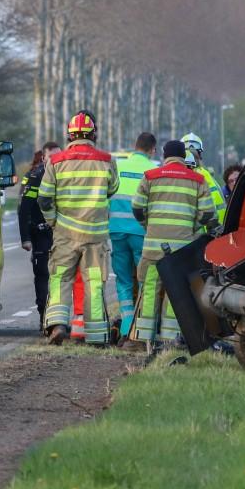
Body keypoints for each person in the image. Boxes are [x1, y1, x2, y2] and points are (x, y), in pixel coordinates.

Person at [123, 140, 217, 352]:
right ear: (184, 157)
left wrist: (147, 224)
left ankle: (145, 339)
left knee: (149, 290)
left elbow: (137, 207)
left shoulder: (150, 176)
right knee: (176, 294)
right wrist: (196, 226)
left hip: (154, 245)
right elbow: (208, 214)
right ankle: (170, 341)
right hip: (182, 250)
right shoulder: (198, 180)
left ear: (165, 156)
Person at [38, 110, 120, 347]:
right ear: (94, 134)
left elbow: (44, 198)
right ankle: (95, 336)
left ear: (69, 135)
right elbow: (112, 188)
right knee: (94, 282)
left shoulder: (56, 161)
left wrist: (54, 221)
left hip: (65, 234)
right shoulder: (106, 160)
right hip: (95, 236)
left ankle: (58, 325)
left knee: (60, 278)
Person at [109, 132, 157, 336]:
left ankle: (127, 324)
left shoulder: (118, 166)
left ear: (134, 146)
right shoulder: (153, 170)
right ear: (152, 150)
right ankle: (143, 327)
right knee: (145, 280)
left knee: (123, 280)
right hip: (140, 233)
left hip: (117, 230)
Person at [17, 141, 61, 333]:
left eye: (58, 157)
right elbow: (24, 208)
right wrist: (25, 238)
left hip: (63, 233)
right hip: (41, 232)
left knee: (61, 276)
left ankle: (59, 319)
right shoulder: (34, 177)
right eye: (51, 157)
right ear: (43, 158)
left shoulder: (67, 175)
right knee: (43, 275)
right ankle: (44, 315)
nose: (55, 161)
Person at [181, 132, 227, 226]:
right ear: (200, 153)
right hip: (218, 229)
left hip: (204, 232)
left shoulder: (186, 175)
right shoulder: (206, 174)